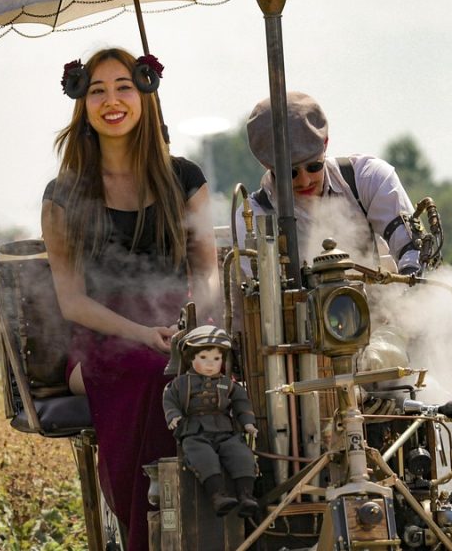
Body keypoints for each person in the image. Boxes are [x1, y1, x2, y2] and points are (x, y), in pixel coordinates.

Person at [41, 47, 220, 550]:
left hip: (180, 332)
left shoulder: (183, 178)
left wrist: (194, 328)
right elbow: (72, 302)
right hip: (103, 343)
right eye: (97, 90)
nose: (112, 100)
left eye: (124, 86)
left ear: (145, 94)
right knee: (149, 371)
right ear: (82, 105)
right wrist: (144, 333)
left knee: (230, 372)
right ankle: (147, 535)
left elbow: (208, 274)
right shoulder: (64, 194)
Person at [235, 91, 421, 275]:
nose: (304, 180)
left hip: (377, 304)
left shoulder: (367, 179)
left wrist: (412, 289)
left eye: (314, 166)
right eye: (291, 173)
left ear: (325, 143)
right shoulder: (254, 216)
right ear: (266, 165)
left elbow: (413, 248)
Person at [163, 325, 259, 517]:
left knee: (241, 454)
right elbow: (170, 400)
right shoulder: (180, 384)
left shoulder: (227, 383)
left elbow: (241, 402)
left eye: (216, 359)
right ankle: (217, 495)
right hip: (195, 431)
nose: (210, 364)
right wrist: (173, 416)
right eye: (204, 358)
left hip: (225, 430)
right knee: (202, 456)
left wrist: (248, 422)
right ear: (191, 358)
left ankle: (246, 495)